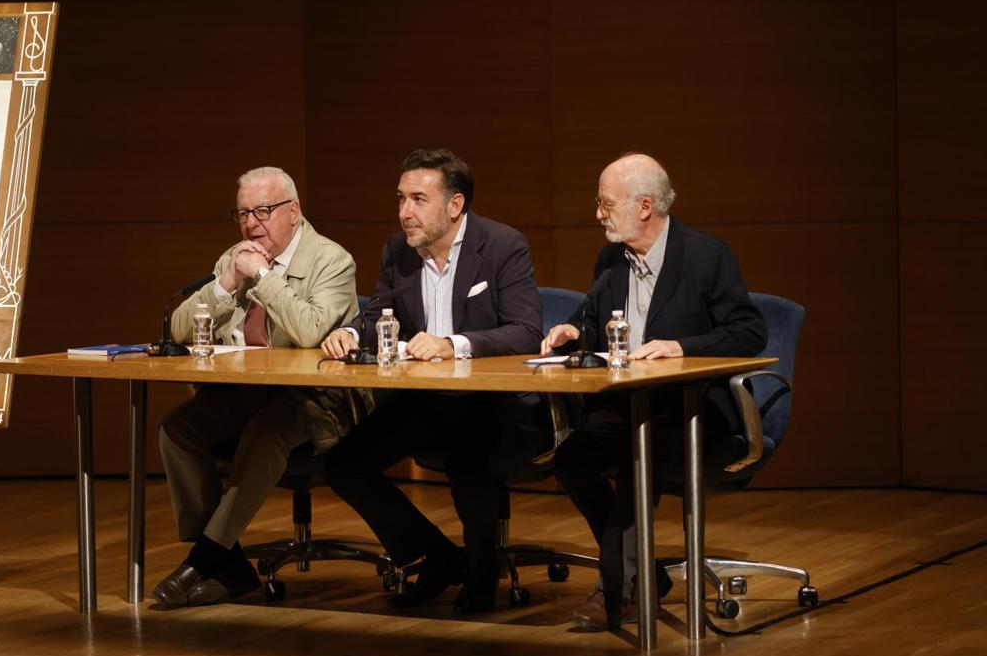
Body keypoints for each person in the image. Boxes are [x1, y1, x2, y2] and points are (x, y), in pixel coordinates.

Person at [540, 152, 767, 631]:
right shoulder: (611, 259)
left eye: (606, 203)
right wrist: (572, 332)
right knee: (571, 458)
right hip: (627, 403)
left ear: (644, 207)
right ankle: (643, 575)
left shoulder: (707, 256)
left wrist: (681, 346)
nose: (598, 213)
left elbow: (749, 331)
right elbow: (596, 318)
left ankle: (616, 591)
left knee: (634, 456)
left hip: (691, 409)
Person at [320, 148, 545, 614]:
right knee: (344, 464)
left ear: (455, 205)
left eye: (419, 200)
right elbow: (377, 314)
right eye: (401, 199)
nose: (405, 212)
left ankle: (483, 576)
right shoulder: (398, 251)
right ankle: (435, 557)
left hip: (494, 404)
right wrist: (347, 332)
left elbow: (526, 330)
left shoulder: (502, 245)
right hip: (425, 402)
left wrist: (455, 343)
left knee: (468, 453)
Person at [153, 166, 369, 608]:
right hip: (241, 395)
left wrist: (264, 279)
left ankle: (204, 559)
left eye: (264, 211)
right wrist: (225, 283)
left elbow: (309, 331)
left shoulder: (332, 260)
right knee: (177, 429)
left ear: (294, 211)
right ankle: (230, 564)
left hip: (313, 400)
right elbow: (178, 330)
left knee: (266, 433)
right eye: (243, 213)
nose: (252, 223)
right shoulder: (235, 258)